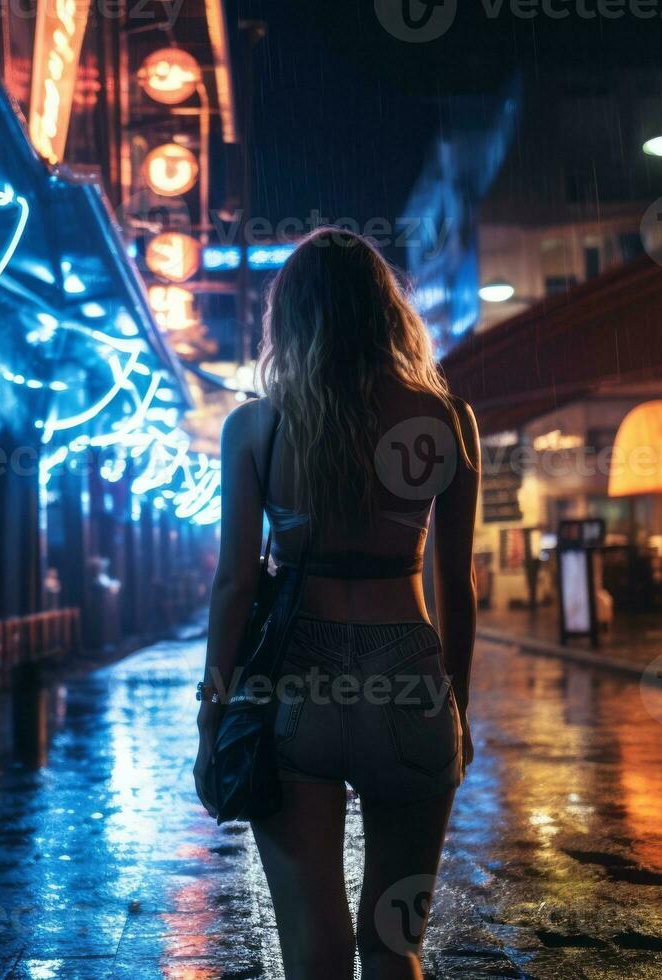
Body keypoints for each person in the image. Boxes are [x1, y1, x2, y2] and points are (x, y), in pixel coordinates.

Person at [194, 229, 480, 979]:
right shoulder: (444, 421)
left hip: (296, 690)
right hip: (412, 680)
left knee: (314, 950)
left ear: (289, 318)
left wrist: (211, 713)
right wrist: (459, 709)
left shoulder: (257, 425)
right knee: (394, 943)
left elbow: (234, 582)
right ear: (388, 314)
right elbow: (457, 587)